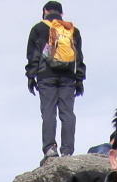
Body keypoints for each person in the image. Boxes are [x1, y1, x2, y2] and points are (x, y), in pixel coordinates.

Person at [26, 2, 86, 158]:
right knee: (67, 113)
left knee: (48, 113)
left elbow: (33, 55)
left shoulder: (38, 28)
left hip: (46, 76)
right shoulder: (72, 30)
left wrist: (31, 76)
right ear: (62, 14)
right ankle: (67, 151)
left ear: (45, 11)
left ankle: (50, 149)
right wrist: (79, 79)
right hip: (68, 77)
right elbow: (78, 57)